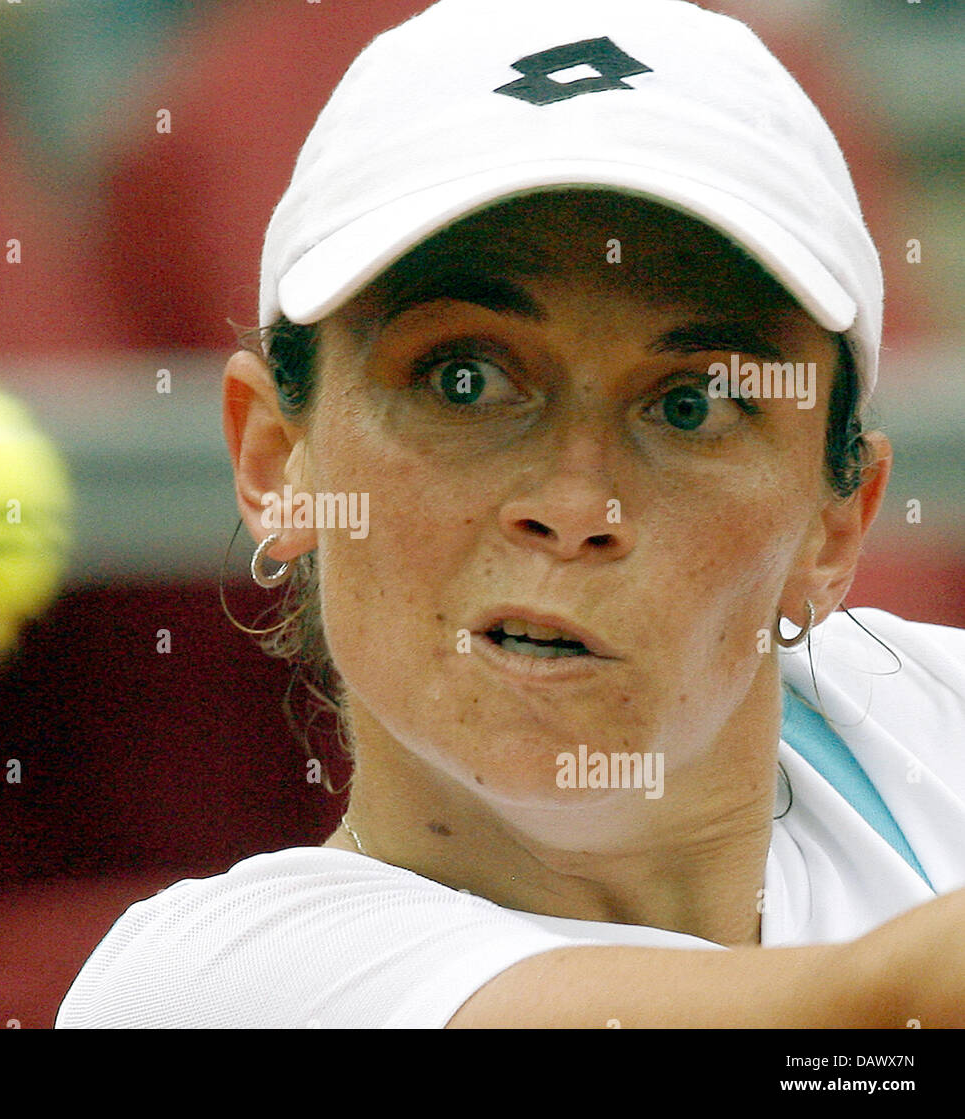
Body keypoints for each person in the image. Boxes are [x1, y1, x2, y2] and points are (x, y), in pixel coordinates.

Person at [56, 0, 965, 1028]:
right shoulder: (201, 995)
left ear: (834, 531)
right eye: (461, 381)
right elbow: (865, 1019)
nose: (574, 509)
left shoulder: (926, 724)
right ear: (274, 459)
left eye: (689, 405)